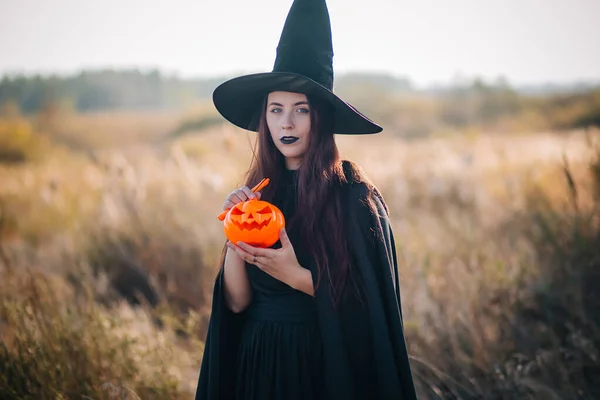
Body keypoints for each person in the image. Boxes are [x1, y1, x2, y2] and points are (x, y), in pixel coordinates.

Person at [194, 0, 418, 399]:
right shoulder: (260, 196)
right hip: (258, 362)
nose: (287, 123)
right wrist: (234, 236)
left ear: (321, 117)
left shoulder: (354, 196)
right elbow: (237, 303)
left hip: (323, 368)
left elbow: (370, 313)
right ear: (264, 118)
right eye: (276, 109)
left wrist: (297, 276)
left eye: (301, 110)